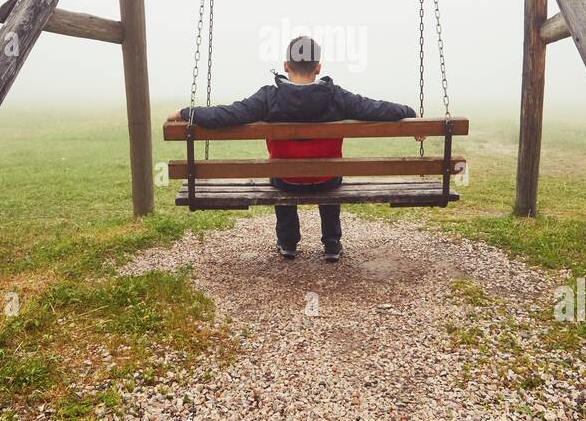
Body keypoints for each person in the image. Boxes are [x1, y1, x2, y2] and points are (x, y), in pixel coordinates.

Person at [169, 35, 415, 262]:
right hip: (326, 180)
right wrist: (410, 115)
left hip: (287, 180)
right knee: (330, 172)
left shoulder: (268, 98)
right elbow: (376, 109)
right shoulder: (336, 96)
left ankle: (287, 243)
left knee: (280, 172)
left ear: (286, 65)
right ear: (318, 68)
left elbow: (226, 115)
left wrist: (186, 113)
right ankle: (331, 244)